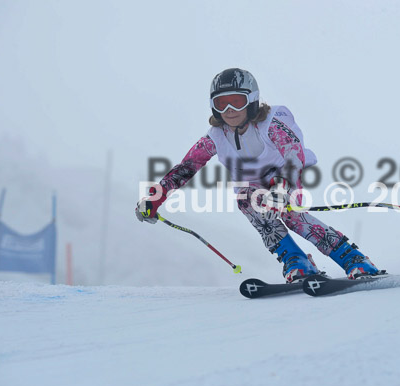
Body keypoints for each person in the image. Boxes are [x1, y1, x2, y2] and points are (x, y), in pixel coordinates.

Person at [136, 68, 380, 282]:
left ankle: (353, 259)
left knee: (292, 217)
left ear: (252, 100)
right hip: (252, 186)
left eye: (237, 102)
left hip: (285, 177)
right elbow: (187, 166)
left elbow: (293, 156)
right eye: (222, 104)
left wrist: (282, 189)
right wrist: (155, 197)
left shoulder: (270, 123)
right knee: (247, 200)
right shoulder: (216, 136)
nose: (230, 110)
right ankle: (296, 262)